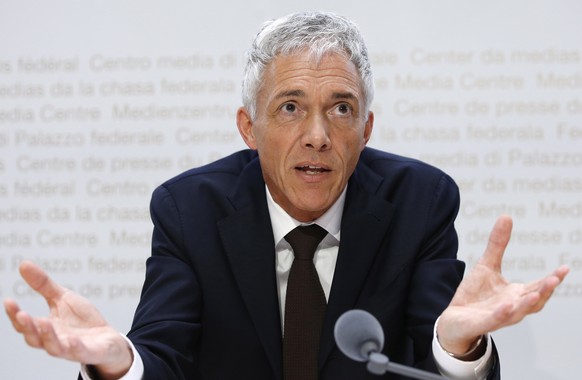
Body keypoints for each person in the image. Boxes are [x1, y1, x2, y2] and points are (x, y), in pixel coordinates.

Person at [4, 11, 569, 380]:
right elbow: (164, 352)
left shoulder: (420, 203)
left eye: (341, 109)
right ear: (249, 129)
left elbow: (431, 353)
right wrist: (116, 364)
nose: (318, 136)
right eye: (291, 107)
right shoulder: (189, 210)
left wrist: (456, 347)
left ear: (366, 130)